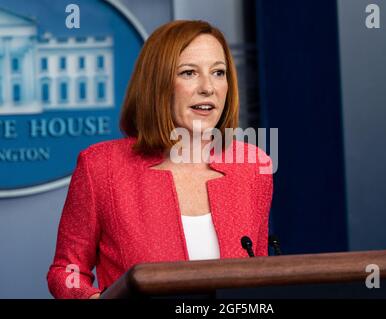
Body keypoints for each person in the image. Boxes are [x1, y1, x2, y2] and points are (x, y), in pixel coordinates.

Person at [47, 20, 273, 299]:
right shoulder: (100, 166)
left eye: (218, 72)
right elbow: (66, 270)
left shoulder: (252, 166)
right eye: (189, 73)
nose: (208, 87)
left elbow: (262, 272)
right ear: (157, 83)